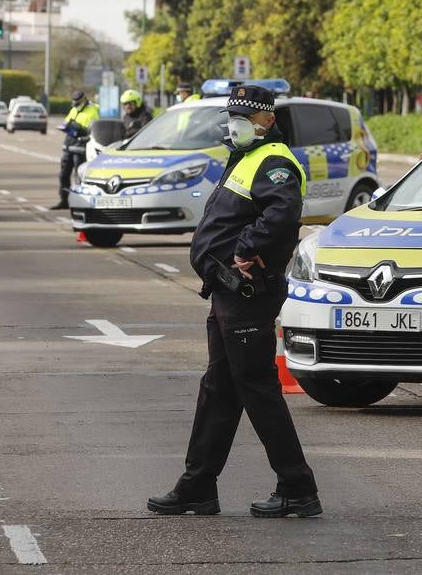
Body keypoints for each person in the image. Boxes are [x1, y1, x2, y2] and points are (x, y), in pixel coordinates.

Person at [149, 83, 320, 519]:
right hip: (227, 292)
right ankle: (197, 486)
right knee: (219, 390)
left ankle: (297, 487)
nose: (235, 123)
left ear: (267, 119)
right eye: (232, 116)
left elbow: (281, 215)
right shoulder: (244, 158)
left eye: (244, 117)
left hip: (248, 293)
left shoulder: (275, 160)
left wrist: (244, 249)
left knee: (258, 389)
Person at [52, 89, 99, 209]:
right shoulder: (74, 109)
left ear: (83, 100)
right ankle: (64, 200)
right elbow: (66, 123)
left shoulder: (92, 111)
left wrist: (80, 130)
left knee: (78, 176)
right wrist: (66, 127)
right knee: (63, 175)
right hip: (69, 145)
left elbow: (93, 131)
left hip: (80, 148)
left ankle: (80, 203)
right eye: (74, 103)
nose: (75, 105)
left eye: (77, 103)